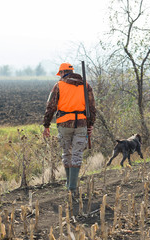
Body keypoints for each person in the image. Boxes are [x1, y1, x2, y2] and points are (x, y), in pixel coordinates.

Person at [42, 62, 96, 195]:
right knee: (77, 155)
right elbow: (92, 107)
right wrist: (91, 125)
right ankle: (72, 187)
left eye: (60, 73)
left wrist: (46, 125)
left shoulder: (58, 86)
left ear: (62, 73)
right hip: (82, 124)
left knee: (67, 153)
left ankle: (69, 185)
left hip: (64, 124)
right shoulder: (86, 85)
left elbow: (51, 106)